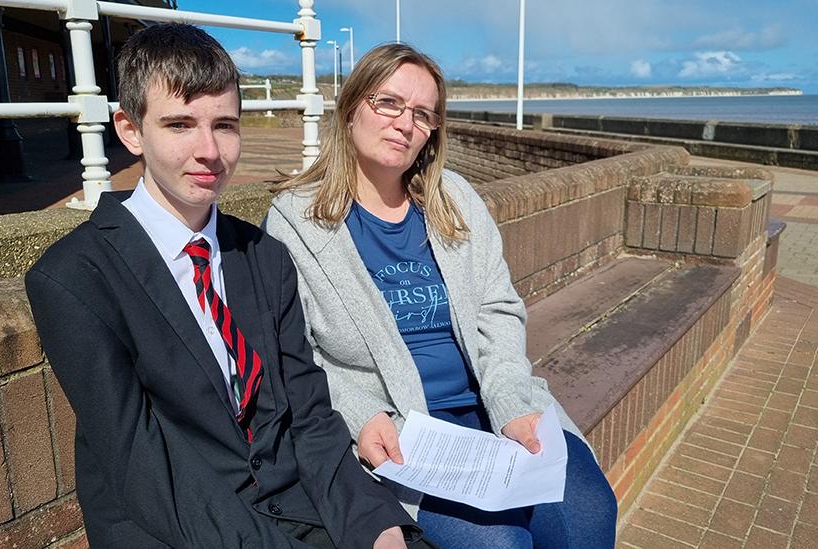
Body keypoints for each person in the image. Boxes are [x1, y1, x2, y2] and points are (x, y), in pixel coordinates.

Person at [24, 24, 430, 549]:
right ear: (129, 130)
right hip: (171, 523)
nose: (209, 151)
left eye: (226, 125)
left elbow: (309, 414)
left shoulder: (264, 256)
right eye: (179, 125)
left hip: (295, 503)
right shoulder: (74, 277)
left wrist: (378, 525)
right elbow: (143, 465)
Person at [264, 43, 619, 548]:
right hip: (402, 430)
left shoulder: (455, 200)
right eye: (388, 103)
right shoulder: (296, 220)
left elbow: (498, 308)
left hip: (492, 403)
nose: (405, 123)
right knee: (498, 543)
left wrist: (513, 402)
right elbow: (295, 351)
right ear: (350, 109)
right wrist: (361, 414)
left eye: (423, 114)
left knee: (587, 515)